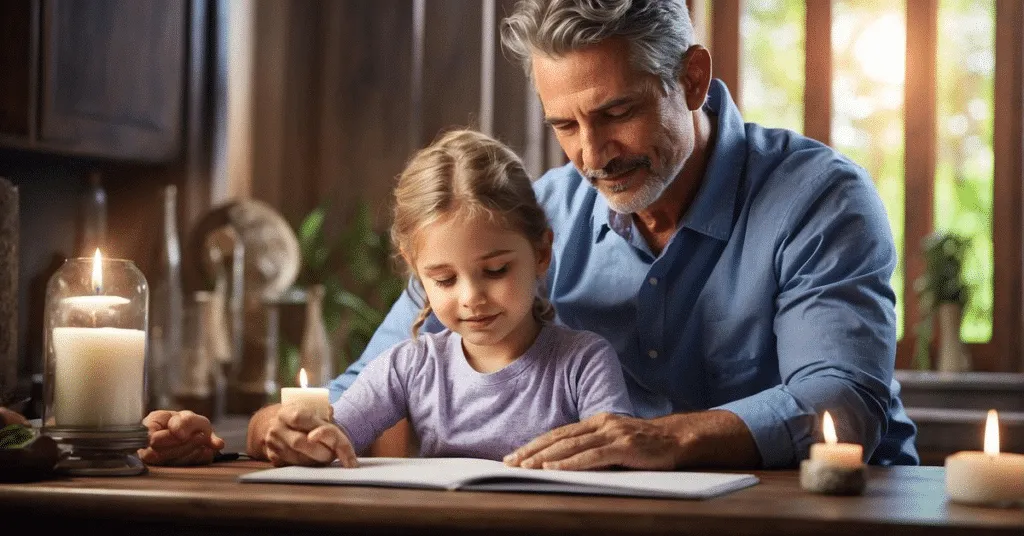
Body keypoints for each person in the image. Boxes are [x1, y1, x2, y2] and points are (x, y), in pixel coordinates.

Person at [144, 0, 918, 470]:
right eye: (563, 125)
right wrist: (271, 430)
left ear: (689, 78)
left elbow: (842, 399)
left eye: (616, 113)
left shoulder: (821, 200)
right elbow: (379, 373)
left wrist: (668, 439)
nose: (591, 152)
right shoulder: (533, 215)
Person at [145, 129, 633, 467]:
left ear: (542, 251)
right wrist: (290, 437)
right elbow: (329, 437)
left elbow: (617, 464)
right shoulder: (411, 366)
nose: (472, 298)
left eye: (496, 270)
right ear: (416, 271)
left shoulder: (584, 363)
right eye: (443, 280)